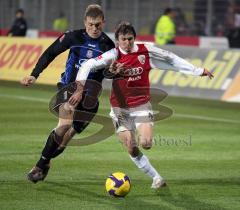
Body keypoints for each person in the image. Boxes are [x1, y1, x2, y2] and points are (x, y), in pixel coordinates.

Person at [69, 22, 214, 189]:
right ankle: (156, 178)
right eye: (123, 39)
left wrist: (197, 70)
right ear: (118, 40)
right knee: (131, 148)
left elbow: (171, 58)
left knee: (146, 143)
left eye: (130, 39)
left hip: (141, 105)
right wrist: (80, 89)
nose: (127, 43)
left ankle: (142, 144)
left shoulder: (146, 50)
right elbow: (88, 65)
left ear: (134, 38)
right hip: (120, 108)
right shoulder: (113, 55)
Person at [20, 4, 115, 183]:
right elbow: (50, 53)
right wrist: (34, 74)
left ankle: (48, 159)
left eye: (98, 25)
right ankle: (39, 166)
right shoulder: (74, 36)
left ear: (103, 22)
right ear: (85, 22)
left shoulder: (108, 46)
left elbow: (107, 74)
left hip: (90, 98)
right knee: (63, 125)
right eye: (90, 24)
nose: (94, 28)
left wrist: (112, 71)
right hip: (68, 88)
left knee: (65, 141)